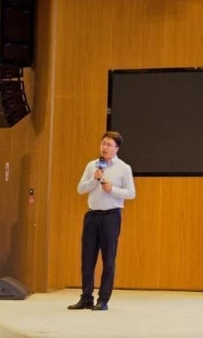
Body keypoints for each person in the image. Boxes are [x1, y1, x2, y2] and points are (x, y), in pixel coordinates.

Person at [68, 131, 136, 311]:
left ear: (117, 148)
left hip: (111, 217)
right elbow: (80, 189)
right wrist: (94, 179)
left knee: (108, 259)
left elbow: (131, 193)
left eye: (109, 145)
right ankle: (86, 297)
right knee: (87, 259)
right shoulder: (92, 166)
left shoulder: (124, 168)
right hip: (92, 216)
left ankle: (103, 299)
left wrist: (112, 189)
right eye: (103, 143)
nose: (104, 147)